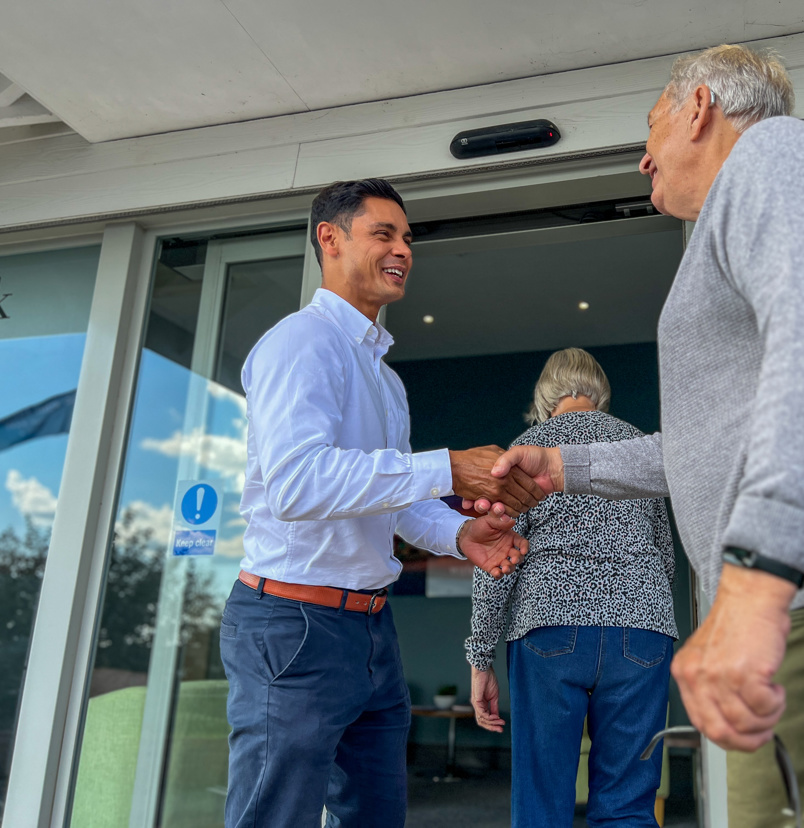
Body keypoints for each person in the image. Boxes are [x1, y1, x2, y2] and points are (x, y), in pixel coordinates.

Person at [486, 45, 804, 827]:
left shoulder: (771, 156)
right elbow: (695, 444)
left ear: (699, 108)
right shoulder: (734, 213)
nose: (642, 156)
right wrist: (561, 466)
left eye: (652, 125)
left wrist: (756, 585)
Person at [219, 178, 537, 828]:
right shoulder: (299, 343)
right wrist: (448, 465)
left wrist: (458, 536)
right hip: (293, 625)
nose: (403, 250)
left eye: (408, 238)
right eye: (384, 233)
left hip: (370, 630)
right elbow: (299, 485)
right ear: (329, 239)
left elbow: (387, 503)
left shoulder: (386, 379)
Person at [467, 348, 677, 827]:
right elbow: (664, 557)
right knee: (628, 804)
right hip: (641, 629)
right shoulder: (637, 448)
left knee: (542, 803)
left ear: (544, 397)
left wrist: (480, 657)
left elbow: (496, 560)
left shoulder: (524, 449)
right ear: (600, 393)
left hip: (548, 630)